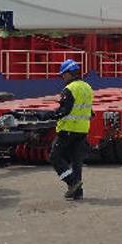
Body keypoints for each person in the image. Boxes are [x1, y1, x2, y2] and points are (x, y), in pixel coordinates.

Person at [36, 59, 93, 200]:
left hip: (68, 129)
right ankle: (78, 193)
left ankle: (72, 182)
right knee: (76, 160)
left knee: (54, 157)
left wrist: (47, 115)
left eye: (63, 74)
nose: (62, 77)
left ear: (69, 73)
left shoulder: (69, 89)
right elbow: (89, 111)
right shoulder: (87, 87)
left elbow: (64, 111)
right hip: (82, 129)